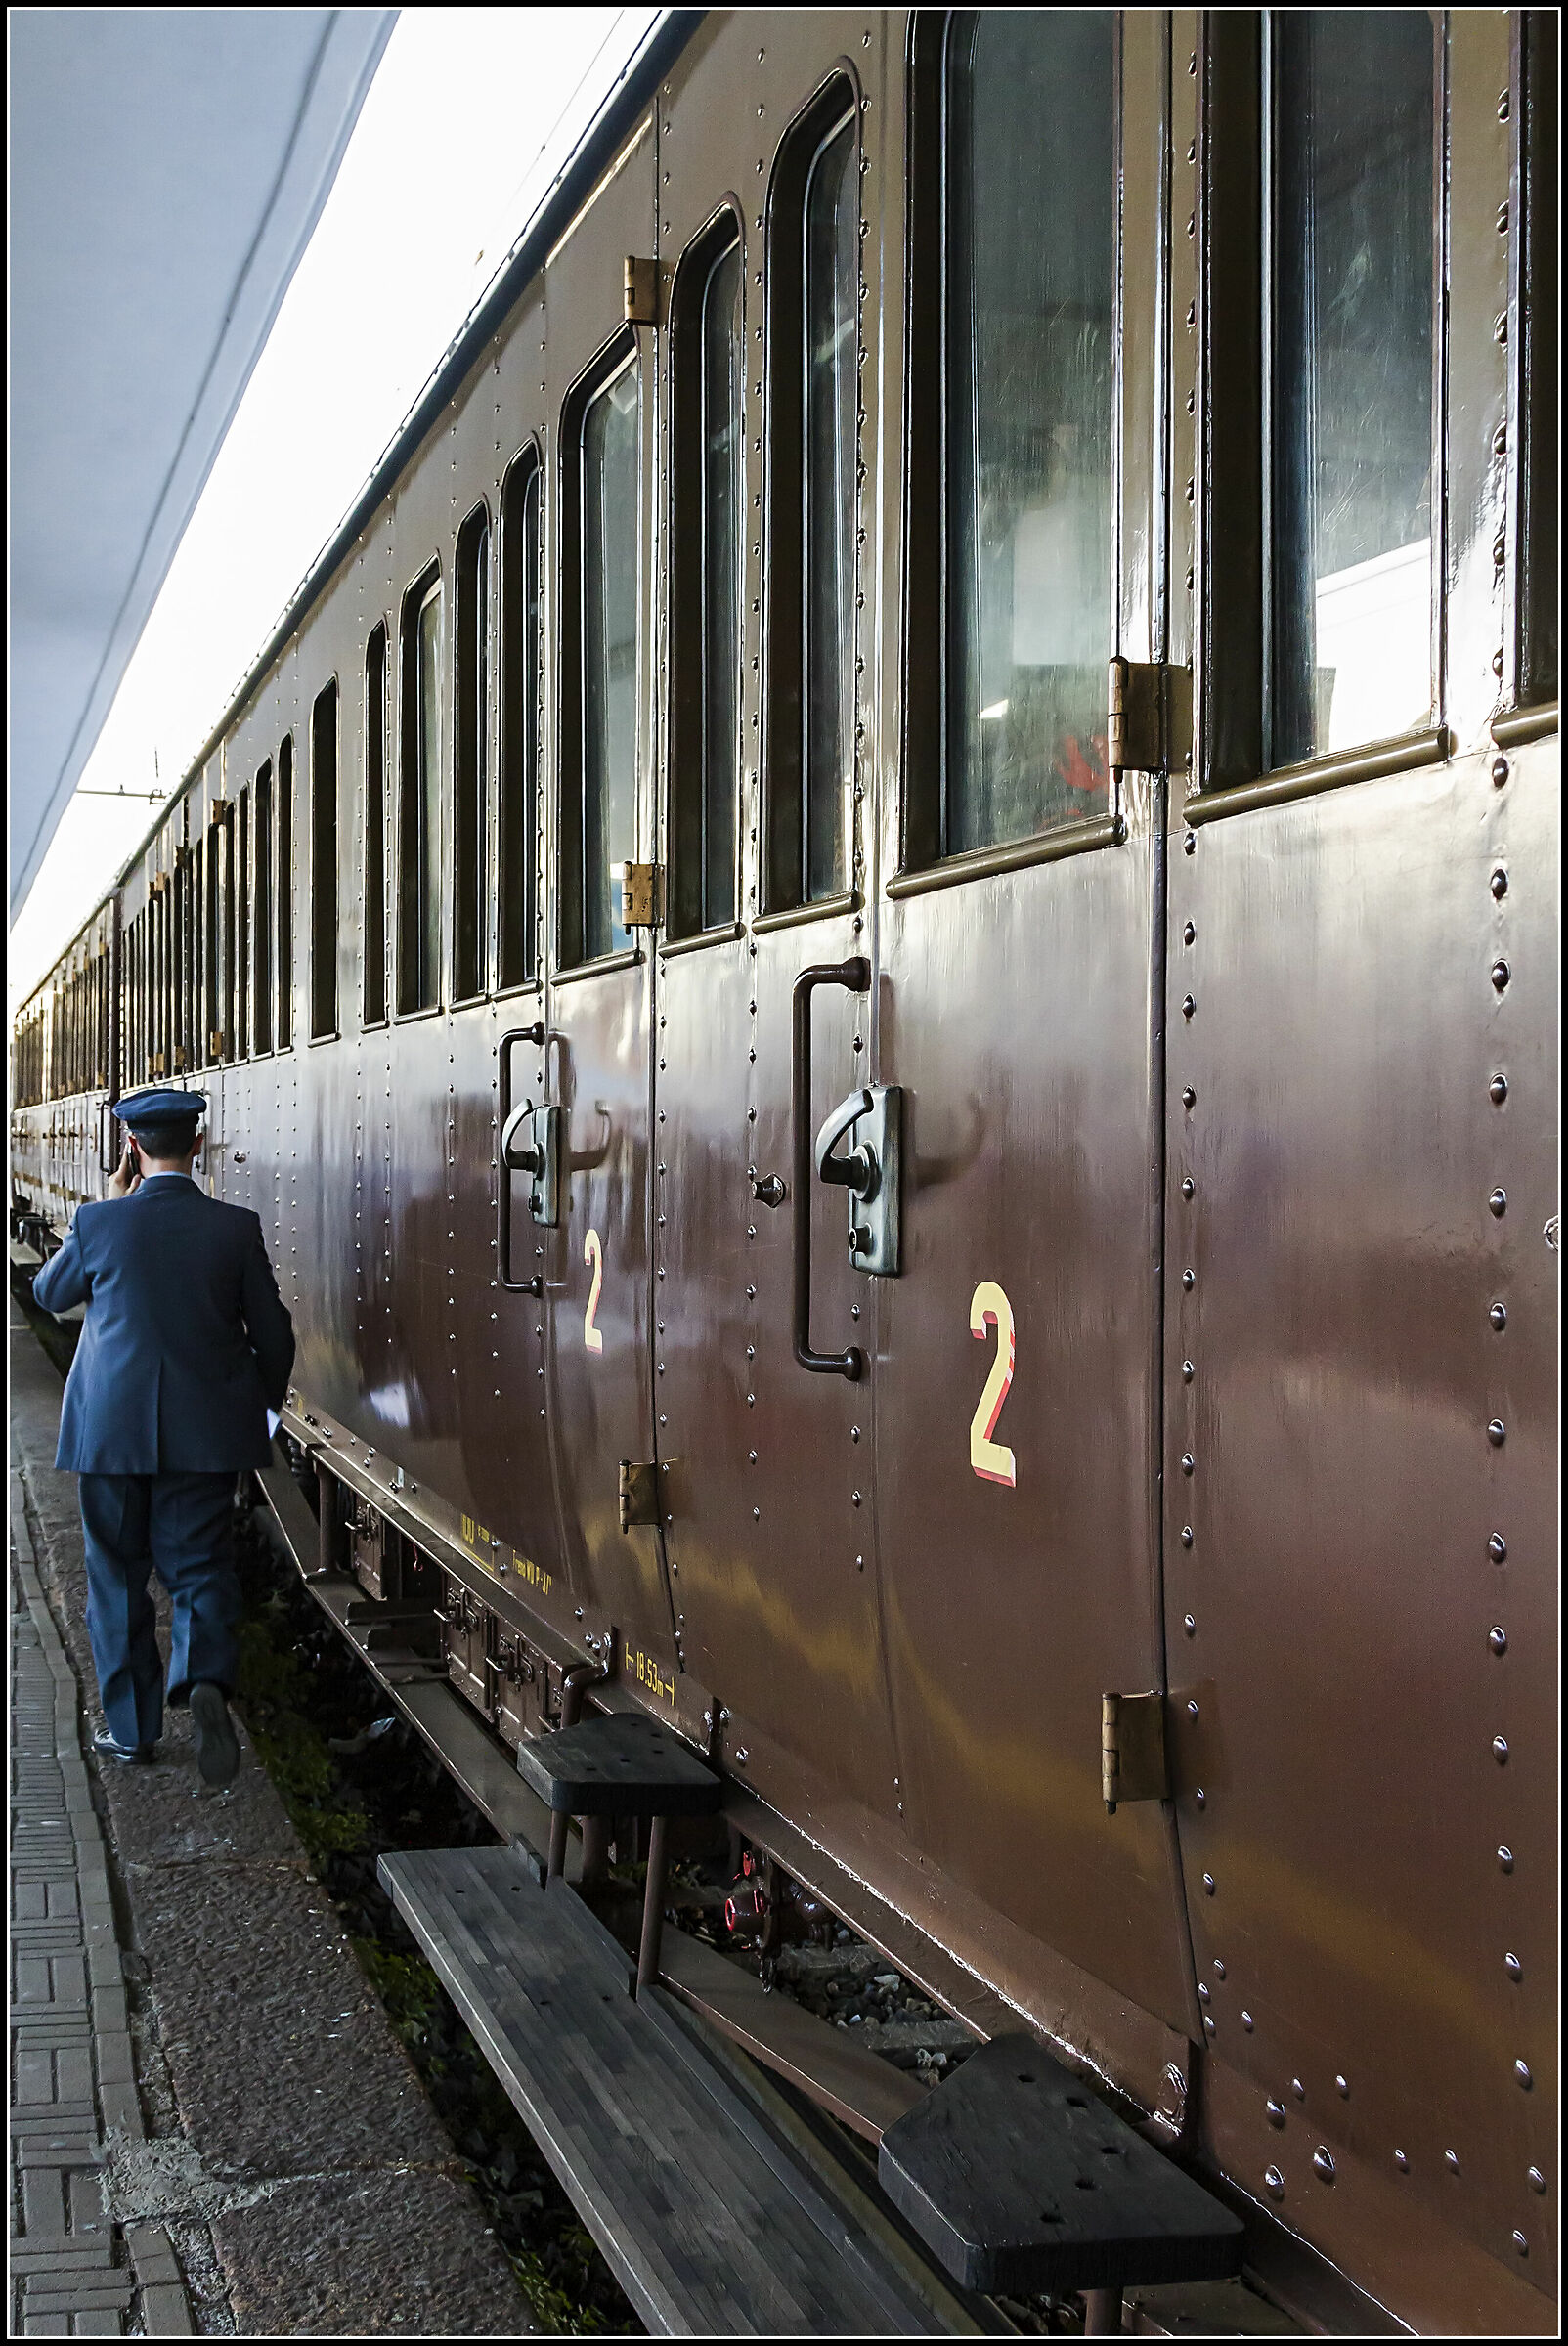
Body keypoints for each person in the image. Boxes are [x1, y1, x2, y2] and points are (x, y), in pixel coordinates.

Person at [31, 1089, 294, 1787]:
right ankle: (203, 1678)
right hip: (205, 1436)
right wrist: (260, 1415)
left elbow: (49, 1296)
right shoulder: (234, 1227)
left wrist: (106, 1205)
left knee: (116, 1577)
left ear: (131, 1148)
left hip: (109, 1435)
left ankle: (131, 1731)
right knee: (199, 1566)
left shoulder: (100, 1221)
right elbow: (275, 1335)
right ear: (198, 1146)